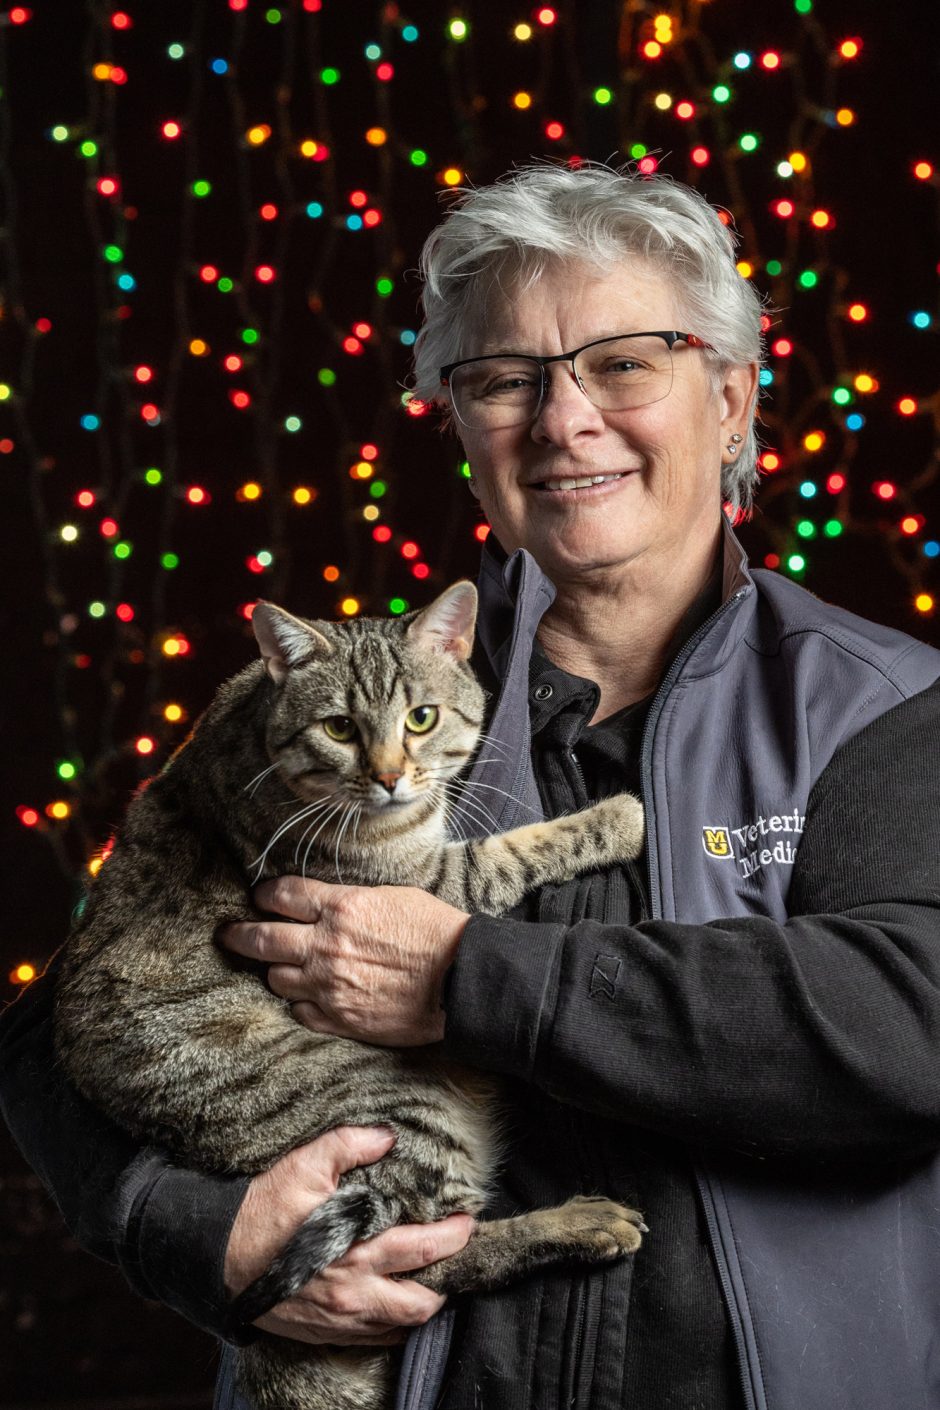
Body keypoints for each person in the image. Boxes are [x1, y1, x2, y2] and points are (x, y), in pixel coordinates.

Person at [4, 162, 940, 1410]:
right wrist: (188, 1229)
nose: (562, 422)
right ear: (458, 423)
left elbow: (908, 1030)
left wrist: (464, 977)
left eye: (623, 362)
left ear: (729, 400)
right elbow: (56, 1025)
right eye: (505, 379)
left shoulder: (885, 703)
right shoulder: (348, 697)